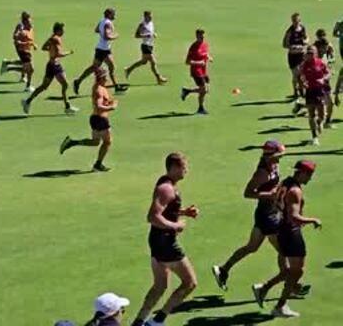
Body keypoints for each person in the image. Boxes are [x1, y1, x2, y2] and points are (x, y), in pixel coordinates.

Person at [131, 152, 198, 326]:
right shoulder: (166, 189)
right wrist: (176, 226)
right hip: (166, 243)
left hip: (156, 241)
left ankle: (139, 322)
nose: (186, 170)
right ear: (175, 168)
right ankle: (157, 321)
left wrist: (183, 212)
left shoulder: (166, 184)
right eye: (184, 167)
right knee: (190, 283)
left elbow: (166, 209)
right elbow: (153, 217)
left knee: (160, 286)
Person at [212, 140, 285, 293]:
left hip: (271, 212)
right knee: (285, 249)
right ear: (268, 156)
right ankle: (289, 285)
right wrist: (269, 195)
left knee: (252, 247)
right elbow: (248, 193)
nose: (280, 158)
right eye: (278, 155)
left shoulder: (274, 165)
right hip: (266, 215)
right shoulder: (262, 173)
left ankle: (223, 270)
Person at [263, 161, 321, 319]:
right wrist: (313, 220)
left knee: (292, 271)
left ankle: (266, 290)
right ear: (302, 173)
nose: (310, 178)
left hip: (281, 229)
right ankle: (279, 304)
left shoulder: (285, 183)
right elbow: (294, 217)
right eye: (309, 175)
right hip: (291, 232)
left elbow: (276, 201)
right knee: (297, 271)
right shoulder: (295, 190)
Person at [60, 68, 117, 171]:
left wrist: (108, 102)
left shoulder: (101, 88)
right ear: (101, 77)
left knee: (95, 142)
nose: (107, 78)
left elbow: (102, 103)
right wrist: (112, 107)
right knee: (107, 142)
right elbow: (99, 106)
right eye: (105, 76)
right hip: (100, 119)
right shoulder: (99, 90)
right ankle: (98, 165)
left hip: (96, 119)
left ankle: (72, 142)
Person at [22, 22, 77, 115]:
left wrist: (51, 50)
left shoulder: (52, 38)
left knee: (44, 86)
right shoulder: (56, 39)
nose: (63, 31)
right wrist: (69, 52)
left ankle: (27, 101)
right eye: (62, 29)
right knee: (65, 84)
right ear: (58, 30)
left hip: (50, 65)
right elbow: (59, 54)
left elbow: (44, 47)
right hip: (55, 66)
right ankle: (67, 107)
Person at [74, 8, 122, 94]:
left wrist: (103, 32)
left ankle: (116, 86)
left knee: (111, 66)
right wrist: (115, 36)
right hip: (102, 49)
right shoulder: (107, 23)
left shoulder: (102, 21)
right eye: (113, 14)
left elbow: (96, 30)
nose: (114, 16)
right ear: (109, 14)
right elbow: (106, 37)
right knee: (95, 67)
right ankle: (78, 81)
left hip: (105, 49)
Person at [298, 45, 330, 145]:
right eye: (308, 53)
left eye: (311, 53)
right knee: (311, 114)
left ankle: (319, 122)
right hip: (310, 91)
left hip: (320, 90)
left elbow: (328, 73)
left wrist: (323, 79)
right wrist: (303, 83)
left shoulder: (320, 62)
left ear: (315, 53)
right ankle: (314, 136)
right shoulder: (304, 65)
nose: (309, 55)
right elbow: (300, 76)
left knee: (322, 114)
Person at [125, 11, 167, 85]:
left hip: (150, 45)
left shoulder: (151, 23)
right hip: (145, 45)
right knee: (153, 62)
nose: (151, 17)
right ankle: (159, 78)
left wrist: (153, 34)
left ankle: (129, 69)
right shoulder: (142, 24)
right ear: (145, 16)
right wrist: (145, 36)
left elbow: (150, 32)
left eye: (151, 16)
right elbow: (136, 35)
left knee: (143, 61)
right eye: (149, 16)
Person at [181, 29, 212, 115]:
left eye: (203, 36)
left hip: (204, 71)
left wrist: (209, 57)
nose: (202, 38)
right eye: (200, 36)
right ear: (196, 36)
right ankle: (200, 108)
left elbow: (205, 54)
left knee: (205, 90)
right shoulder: (193, 47)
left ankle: (187, 91)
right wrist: (198, 63)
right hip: (196, 71)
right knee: (204, 89)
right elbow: (187, 62)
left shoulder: (205, 45)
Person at [1, 11, 32, 81]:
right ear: (25, 19)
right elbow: (15, 35)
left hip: (26, 45)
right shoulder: (20, 26)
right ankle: (9, 68)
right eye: (28, 19)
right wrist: (18, 36)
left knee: (23, 62)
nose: (30, 21)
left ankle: (8, 64)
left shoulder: (28, 25)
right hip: (20, 46)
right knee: (27, 64)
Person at [282, 13, 308, 100]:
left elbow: (307, 38)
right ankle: (296, 92)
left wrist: (305, 42)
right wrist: (293, 47)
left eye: (297, 21)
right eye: (294, 21)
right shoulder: (290, 31)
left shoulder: (302, 29)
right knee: (296, 74)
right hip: (293, 56)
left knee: (302, 74)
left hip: (302, 55)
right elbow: (284, 44)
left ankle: (302, 91)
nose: (295, 22)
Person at [313, 29, 335, 128]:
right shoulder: (314, 53)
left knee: (330, 103)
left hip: (325, 82)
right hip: (316, 83)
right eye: (324, 48)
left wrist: (330, 63)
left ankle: (327, 121)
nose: (326, 49)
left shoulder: (328, 48)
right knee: (318, 104)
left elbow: (332, 59)